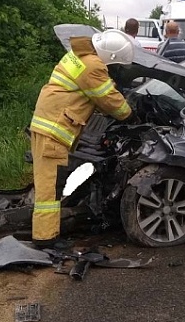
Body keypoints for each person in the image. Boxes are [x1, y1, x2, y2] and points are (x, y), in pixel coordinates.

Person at [29, 29, 135, 246]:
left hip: (48, 125)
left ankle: (47, 234)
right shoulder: (93, 66)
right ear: (111, 56)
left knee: (50, 185)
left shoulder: (77, 56)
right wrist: (130, 112)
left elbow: (90, 91)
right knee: (50, 188)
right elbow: (110, 101)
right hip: (53, 131)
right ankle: (45, 239)